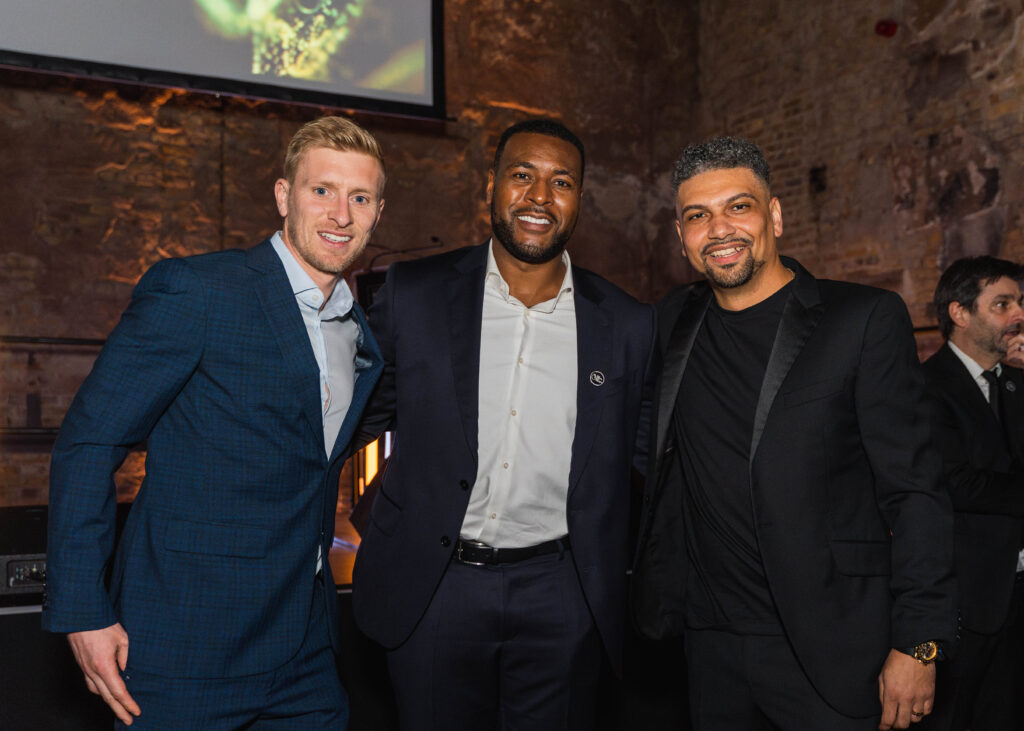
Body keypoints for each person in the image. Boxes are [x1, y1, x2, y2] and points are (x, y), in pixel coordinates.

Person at [41, 115, 387, 728]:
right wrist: (83, 610)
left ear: (377, 213)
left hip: (304, 650)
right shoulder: (200, 291)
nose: (340, 213)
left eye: (359, 197)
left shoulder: (359, 331)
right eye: (321, 191)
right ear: (284, 196)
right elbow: (89, 443)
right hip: (183, 643)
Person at [631, 136, 956, 730]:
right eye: (697, 215)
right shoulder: (669, 322)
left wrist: (920, 643)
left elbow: (916, 492)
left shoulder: (861, 319)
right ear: (681, 237)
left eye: (739, 206)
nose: (719, 228)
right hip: (709, 648)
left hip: (834, 646)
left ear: (774, 215)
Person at [351, 118, 656, 730]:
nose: (540, 197)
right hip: (433, 588)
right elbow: (350, 417)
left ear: (578, 200)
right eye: (523, 176)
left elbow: (648, 457)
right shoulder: (416, 293)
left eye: (561, 182)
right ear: (491, 185)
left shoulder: (626, 323)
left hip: (563, 594)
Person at [920, 256, 1024, 730]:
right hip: (968, 599)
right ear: (960, 314)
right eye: (1002, 304)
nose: (1018, 314)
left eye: (1019, 303)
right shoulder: (924, 387)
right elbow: (955, 481)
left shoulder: (1016, 382)